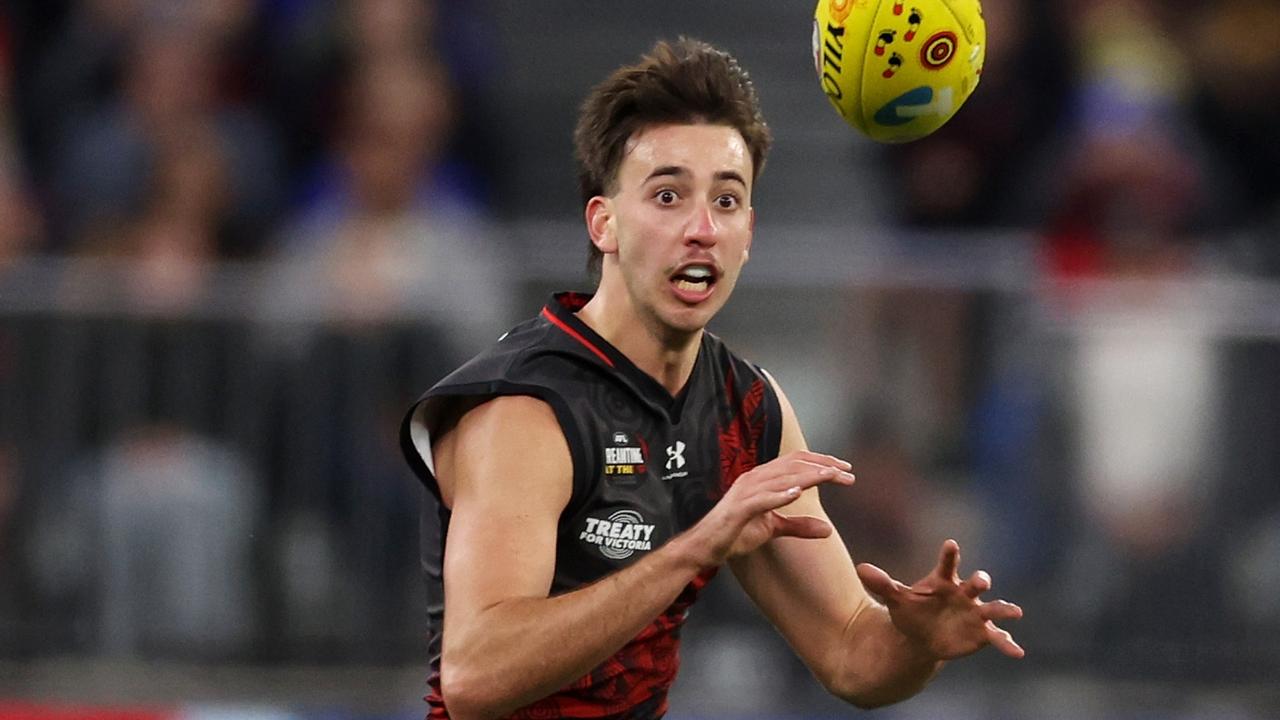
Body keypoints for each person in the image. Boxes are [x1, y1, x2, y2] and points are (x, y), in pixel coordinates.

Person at [400, 37, 1023, 720]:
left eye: (726, 202)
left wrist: (917, 644)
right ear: (603, 223)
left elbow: (851, 656)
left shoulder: (746, 409)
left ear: (749, 232)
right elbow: (474, 673)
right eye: (668, 195)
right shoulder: (526, 409)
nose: (701, 228)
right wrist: (696, 544)